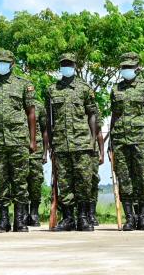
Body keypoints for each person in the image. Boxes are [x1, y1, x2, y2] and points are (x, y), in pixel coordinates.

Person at [0, 49, 37, 233]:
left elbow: (31, 114)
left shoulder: (24, 85)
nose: (0, 65)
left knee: (20, 180)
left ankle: (20, 220)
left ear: (12, 64)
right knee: (0, 180)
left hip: (19, 140)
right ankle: (3, 220)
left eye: (4, 62)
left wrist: (33, 140)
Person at [45, 53, 102, 232]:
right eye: (63, 64)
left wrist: (93, 140)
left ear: (75, 66)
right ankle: (68, 218)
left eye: (69, 64)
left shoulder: (85, 89)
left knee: (84, 181)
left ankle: (83, 218)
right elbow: (48, 119)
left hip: (82, 142)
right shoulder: (52, 89)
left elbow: (92, 114)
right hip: (61, 143)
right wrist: (50, 144)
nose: (66, 66)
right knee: (64, 182)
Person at [108, 52, 144, 231]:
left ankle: (143, 217)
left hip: (141, 138)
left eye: (129, 67)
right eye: (123, 67)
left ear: (137, 68)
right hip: (121, 139)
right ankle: (130, 217)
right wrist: (111, 142)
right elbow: (114, 115)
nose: (126, 70)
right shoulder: (116, 89)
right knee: (124, 178)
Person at [25, 101, 47, 227]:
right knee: (20, 181)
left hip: (36, 149)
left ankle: (34, 213)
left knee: (35, 181)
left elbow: (44, 130)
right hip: (18, 146)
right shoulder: (15, 104)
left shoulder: (39, 106)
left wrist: (45, 152)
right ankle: (23, 213)